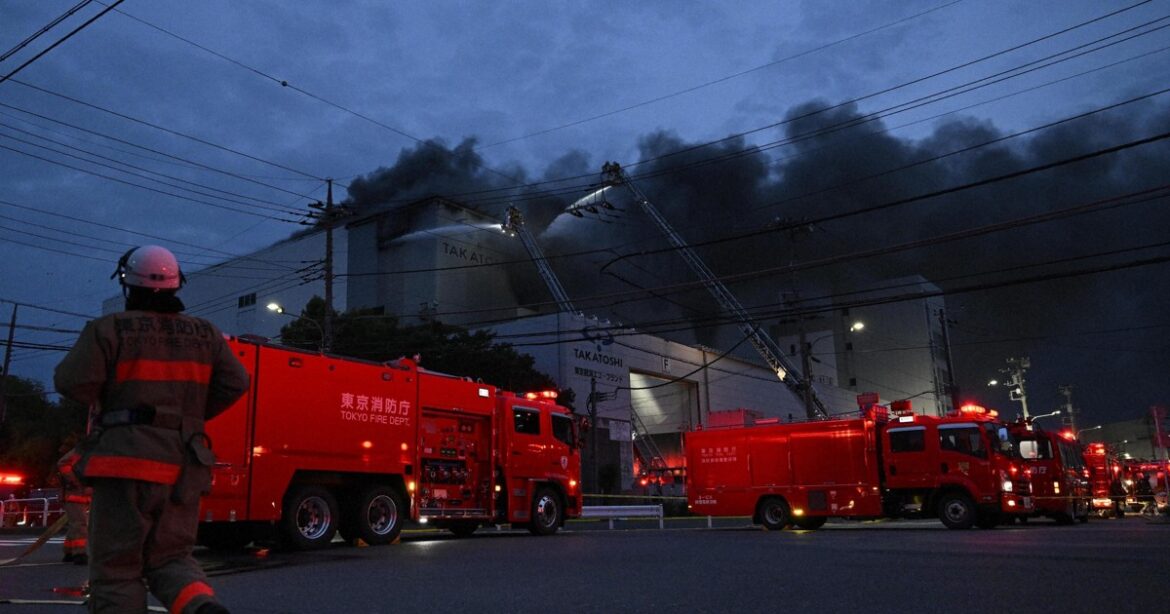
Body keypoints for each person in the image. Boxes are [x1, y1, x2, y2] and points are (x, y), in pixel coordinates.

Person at [54, 245, 249, 614]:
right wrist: (187, 418)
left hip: (125, 462)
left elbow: (71, 382)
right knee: (172, 558)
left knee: (116, 570)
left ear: (127, 283)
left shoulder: (108, 329)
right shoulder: (207, 334)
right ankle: (202, 607)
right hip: (184, 465)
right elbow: (237, 383)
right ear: (177, 284)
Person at [57, 443, 92, 565]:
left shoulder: (90, 450)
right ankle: (79, 554)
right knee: (80, 524)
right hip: (74, 495)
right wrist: (78, 483)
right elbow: (63, 464)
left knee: (76, 524)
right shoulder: (84, 450)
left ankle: (69, 552)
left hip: (80, 495)